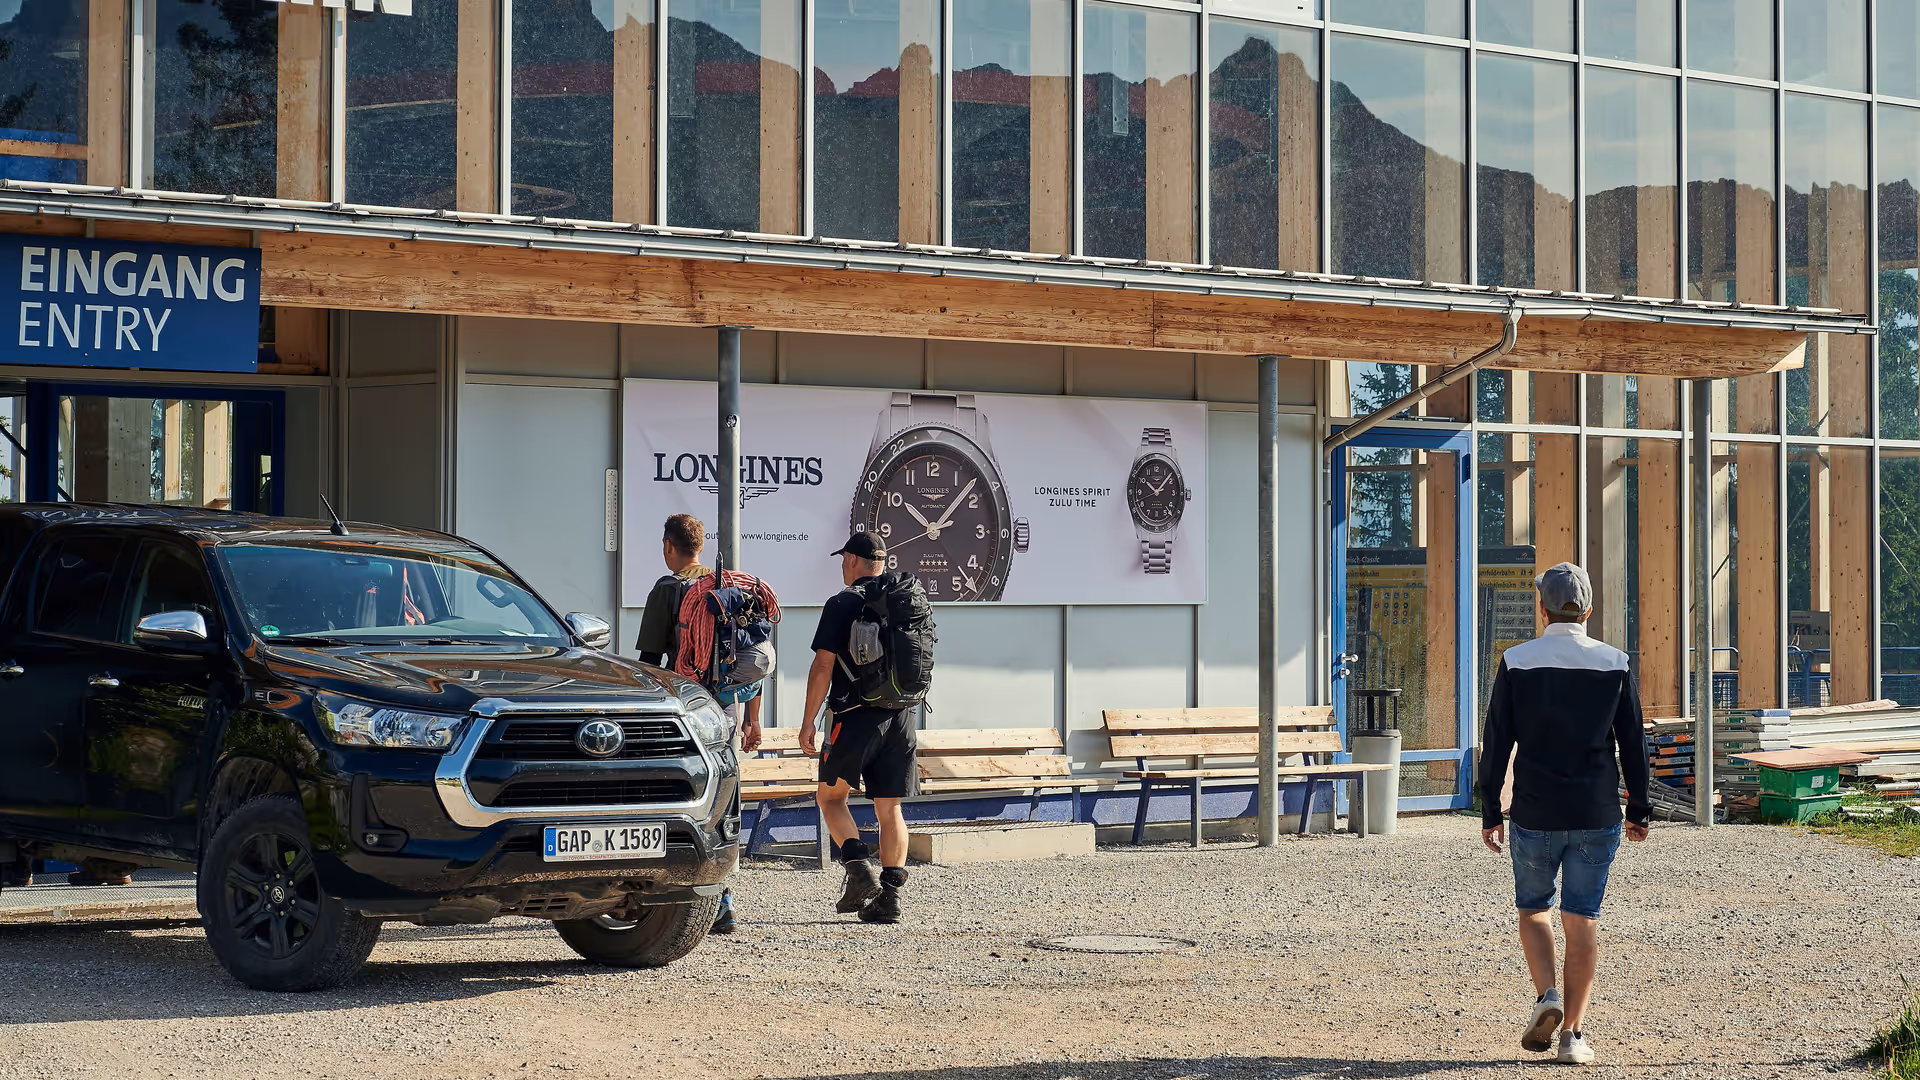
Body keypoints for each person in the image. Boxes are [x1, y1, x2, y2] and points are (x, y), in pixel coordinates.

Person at [1478, 561, 1652, 1066]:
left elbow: (1497, 742)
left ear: (1542, 609)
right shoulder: (1615, 662)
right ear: (1589, 610)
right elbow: (1633, 743)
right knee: (1583, 918)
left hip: (1534, 808)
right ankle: (1573, 1037)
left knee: (1534, 907)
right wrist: (1639, 808)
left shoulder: (1516, 661)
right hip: (1597, 810)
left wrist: (1491, 808)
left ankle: (1546, 995)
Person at [632, 513, 759, 934]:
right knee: (724, 797)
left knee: (672, 792)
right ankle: (723, 898)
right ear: (701, 547)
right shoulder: (731, 587)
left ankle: (656, 889)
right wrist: (753, 719)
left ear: (669, 545)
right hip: (725, 710)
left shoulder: (667, 590)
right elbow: (748, 656)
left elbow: (649, 663)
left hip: (681, 712)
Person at [800, 532, 918, 925]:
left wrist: (807, 723)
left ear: (851, 559)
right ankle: (891, 899)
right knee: (890, 809)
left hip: (853, 716)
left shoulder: (843, 602)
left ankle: (859, 870)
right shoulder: (905, 601)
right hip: (901, 716)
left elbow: (822, 667)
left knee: (830, 799)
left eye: (843, 559)